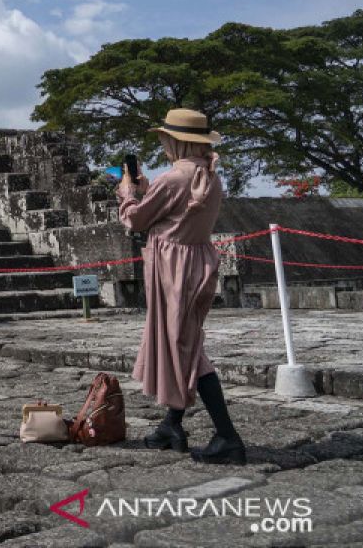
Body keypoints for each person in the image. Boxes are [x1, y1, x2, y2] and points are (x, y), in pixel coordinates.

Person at [116, 108, 245, 465]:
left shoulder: (174, 178)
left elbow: (136, 219)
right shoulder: (209, 175)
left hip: (174, 268)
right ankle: (171, 425)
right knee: (181, 343)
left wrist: (128, 192)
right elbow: (173, 213)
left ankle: (228, 437)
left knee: (185, 347)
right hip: (197, 262)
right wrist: (146, 191)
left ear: (176, 140)